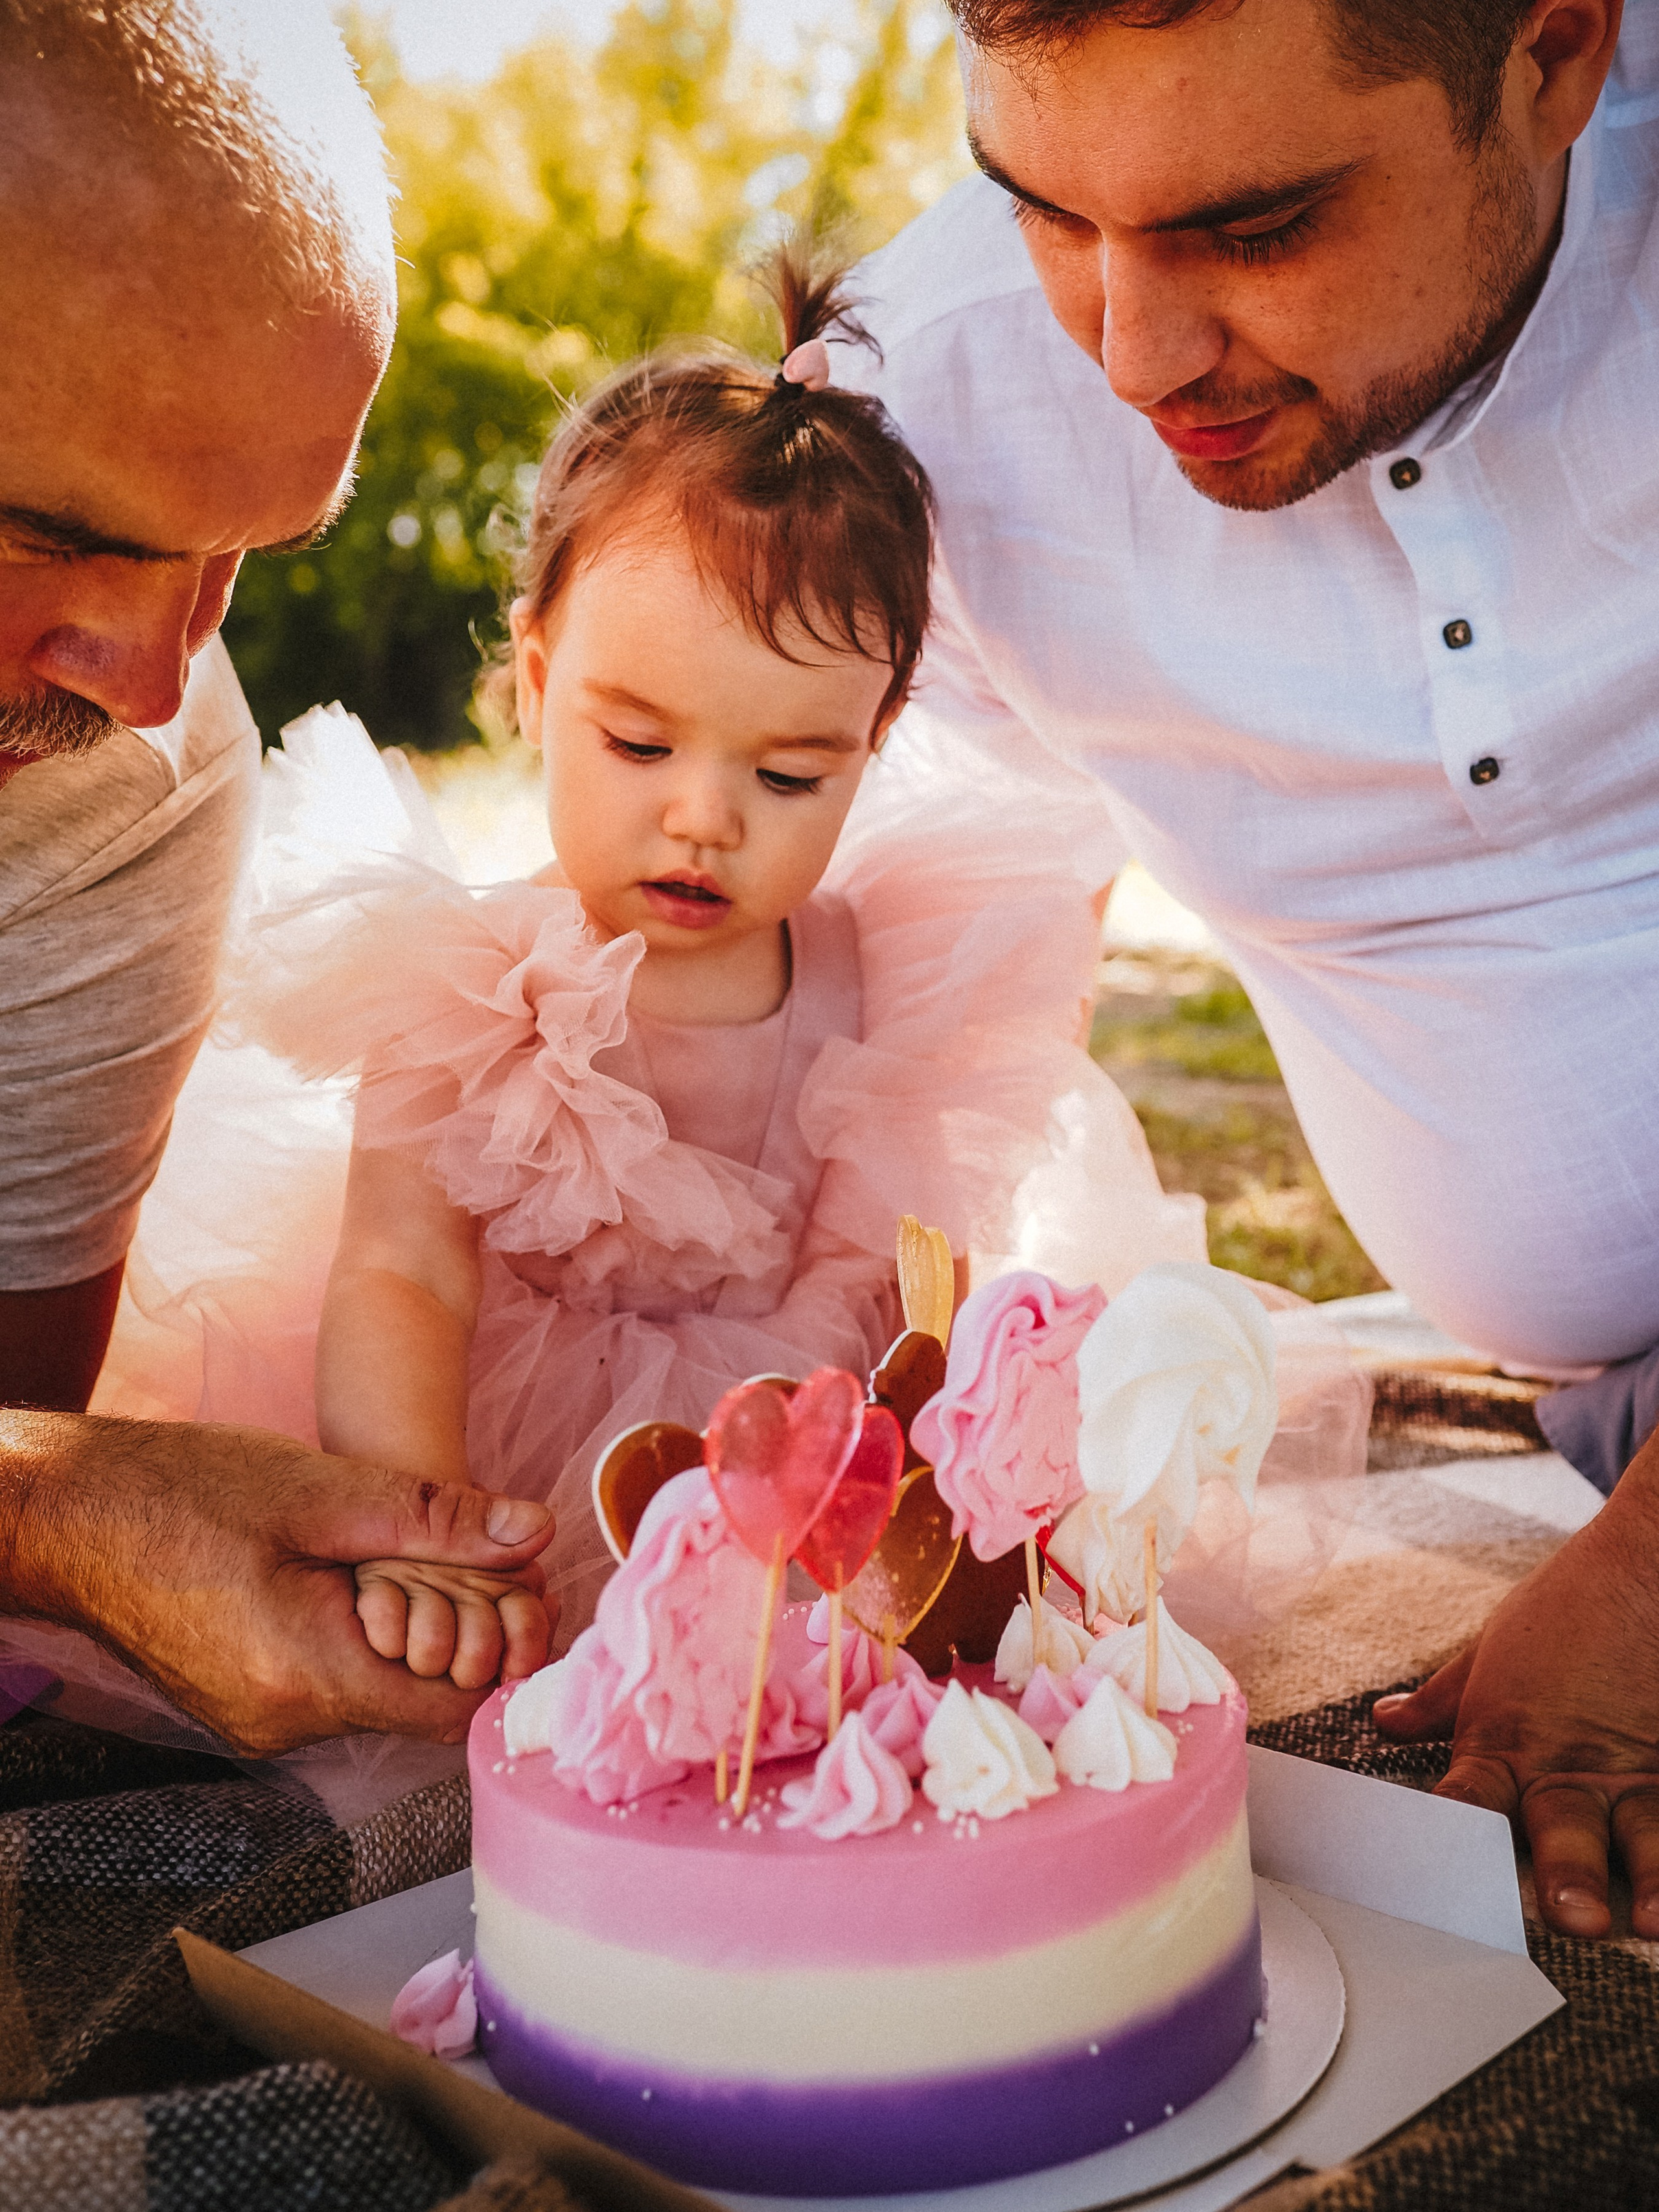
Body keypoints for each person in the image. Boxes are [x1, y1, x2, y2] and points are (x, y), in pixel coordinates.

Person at [86, 260, 1221, 1678]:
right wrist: (416, 1526)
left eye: (791, 772)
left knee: (887, 1687)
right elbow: (400, 1276)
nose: (703, 816)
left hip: (810, 1451)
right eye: (638, 745)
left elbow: (906, 1283)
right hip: (512, 1450)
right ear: (541, 674)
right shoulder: (471, 979)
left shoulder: (889, 980)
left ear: (873, 743)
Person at [835, 0, 1659, 1937]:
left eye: (1261, 223)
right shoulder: (927, 397)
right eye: (1038, 208)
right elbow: (879, 991)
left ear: (1553, 58)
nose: (1127, 355)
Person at [0, 0, 552, 1754]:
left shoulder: (132, 781)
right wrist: (56, 1508)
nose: (155, 686)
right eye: (63, 534)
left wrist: (55, 1499)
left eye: (237, 556)